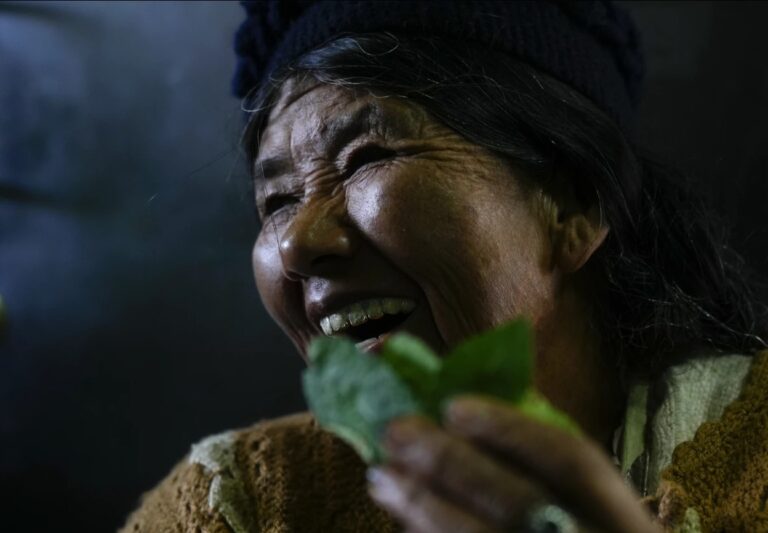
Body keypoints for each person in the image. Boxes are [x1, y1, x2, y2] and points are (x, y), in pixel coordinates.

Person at [120, 1, 768, 531]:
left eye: (366, 156)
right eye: (278, 200)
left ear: (574, 204)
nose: (294, 245)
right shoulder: (240, 504)